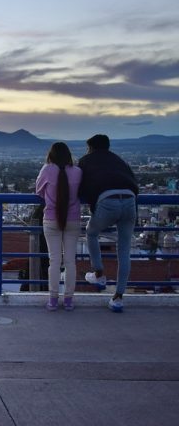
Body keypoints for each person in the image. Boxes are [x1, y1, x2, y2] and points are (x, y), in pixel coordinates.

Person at [79, 134, 138, 313]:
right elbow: (134, 183)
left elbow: (80, 187)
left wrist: (92, 205)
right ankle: (118, 298)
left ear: (91, 147)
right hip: (130, 200)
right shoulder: (120, 160)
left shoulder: (85, 161)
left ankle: (99, 274)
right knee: (124, 250)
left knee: (91, 232)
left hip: (107, 201)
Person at [35, 142, 82, 311]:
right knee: (70, 261)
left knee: (54, 261)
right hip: (73, 220)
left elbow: (38, 191)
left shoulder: (47, 170)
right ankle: (68, 300)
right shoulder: (78, 172)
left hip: (51, 219)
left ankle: (53, 299)